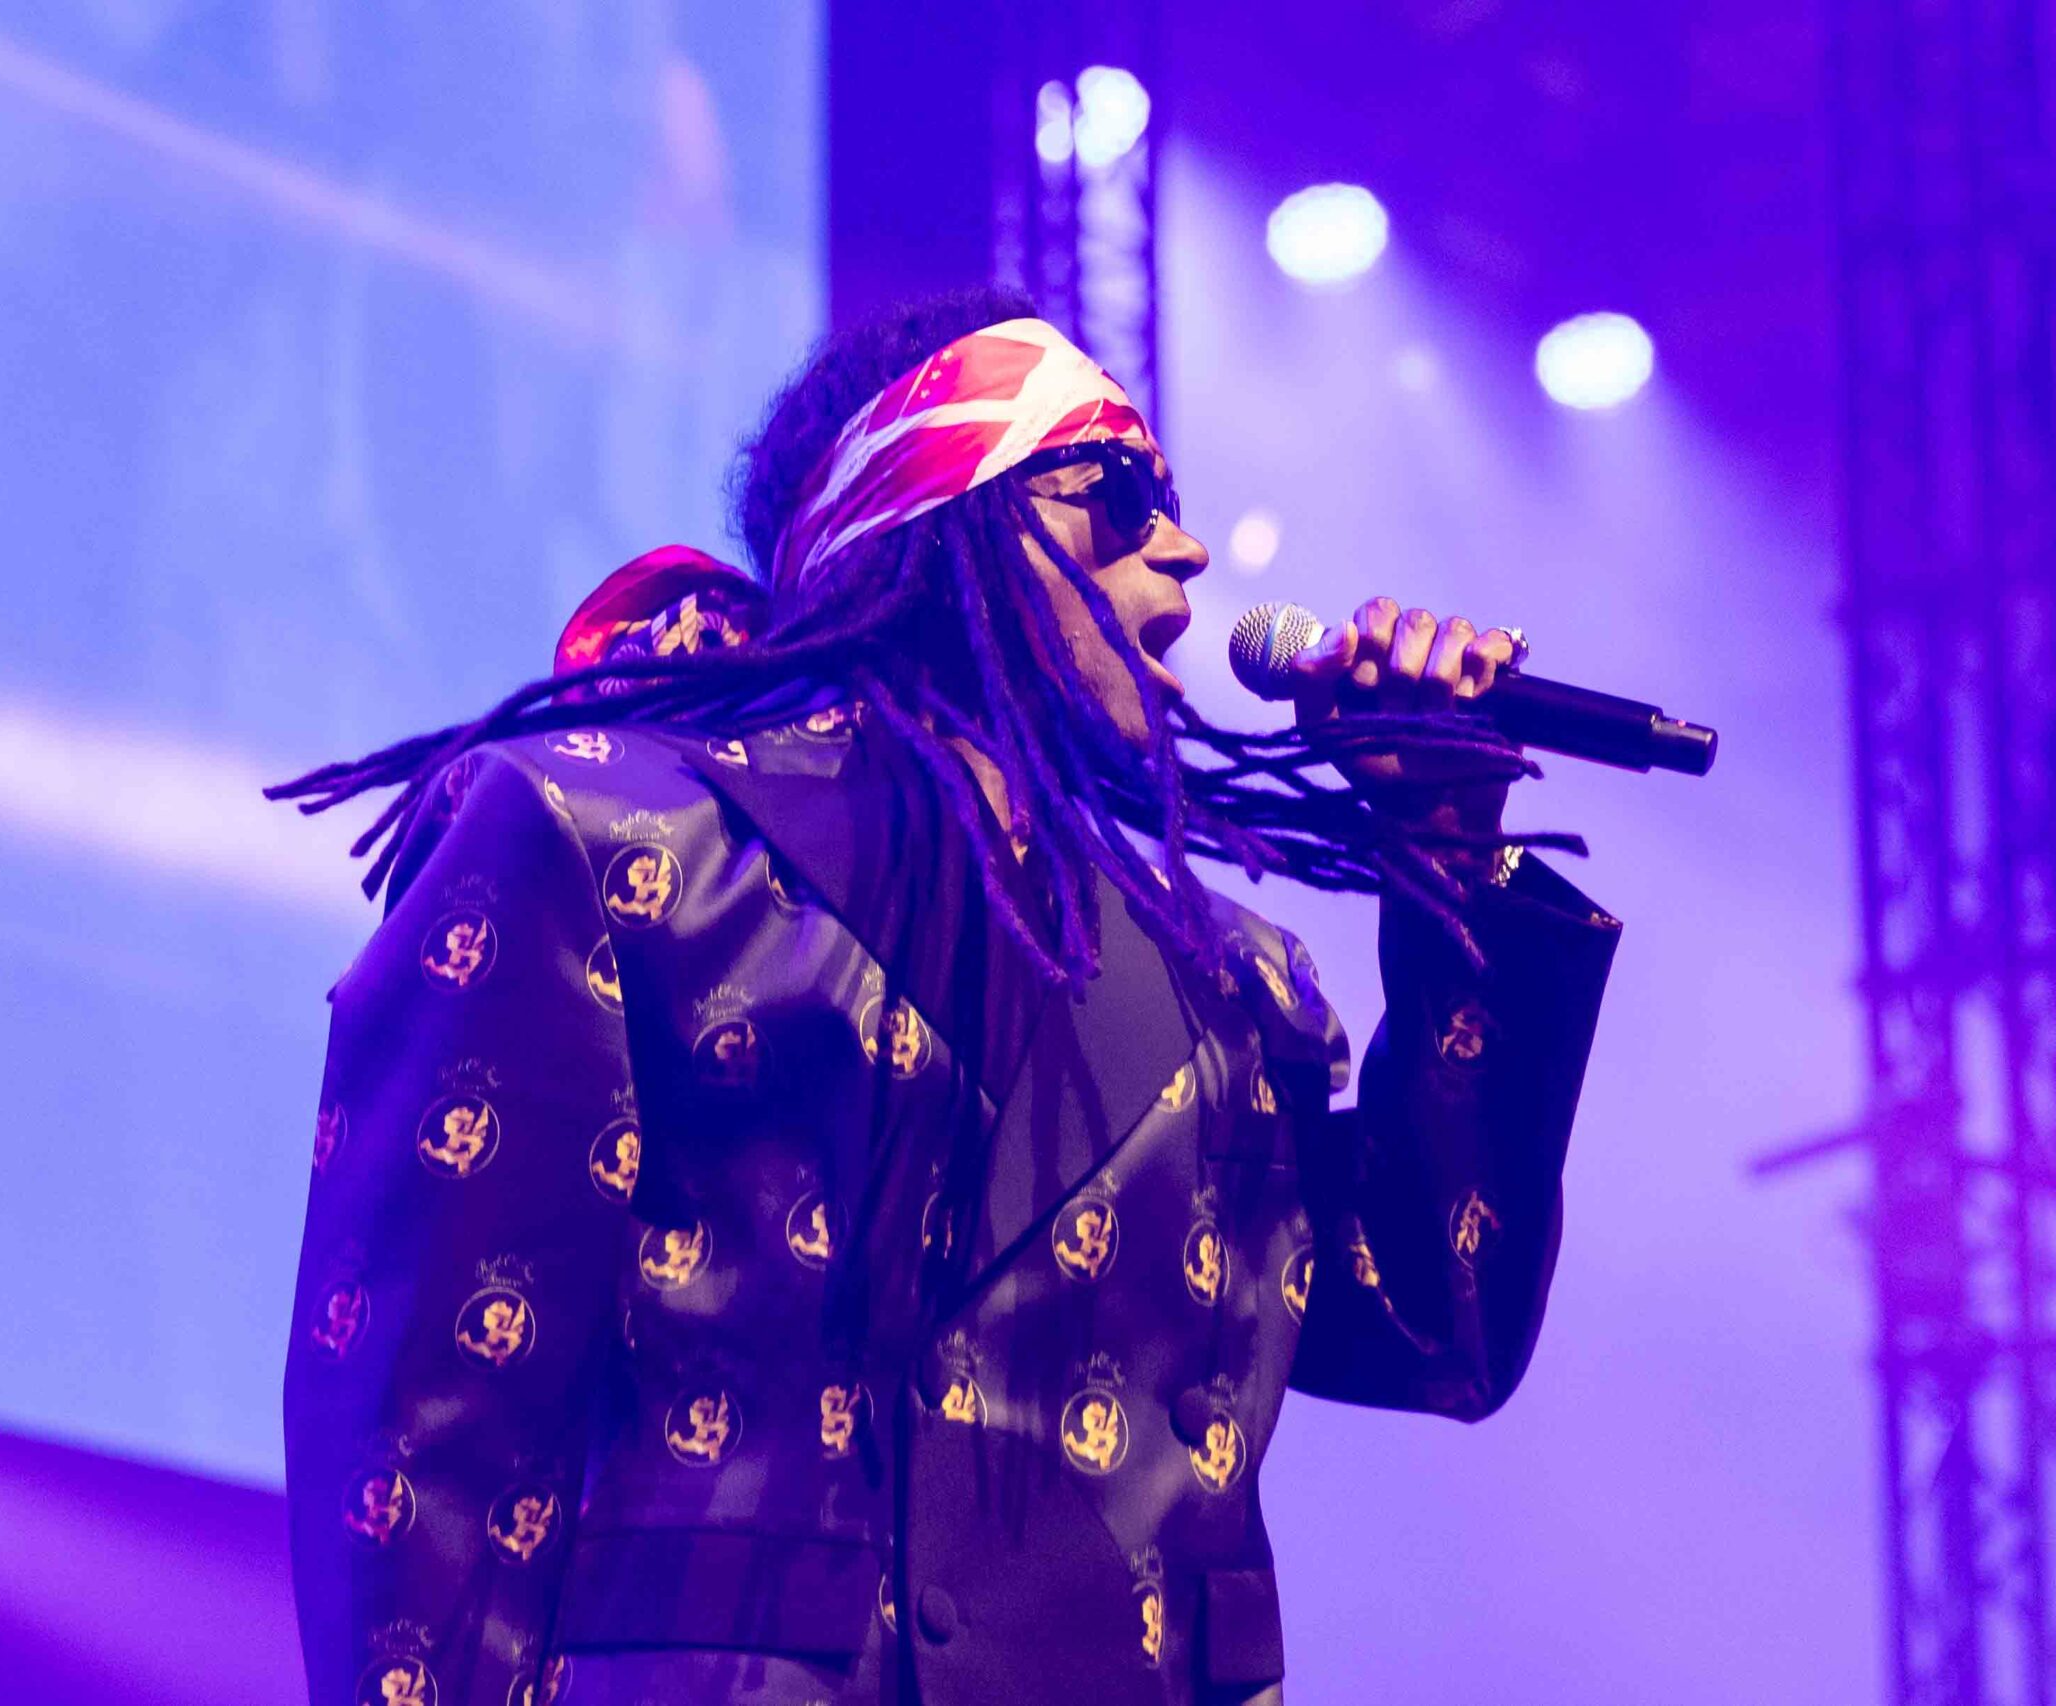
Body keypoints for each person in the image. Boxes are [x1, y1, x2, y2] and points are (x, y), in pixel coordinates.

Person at [272, 287, 1619, 1706]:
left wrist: (1450, 856)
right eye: (1118, 490)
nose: (1183, 545)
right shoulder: (613, 842)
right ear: (936, 515)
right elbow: (427, 1446)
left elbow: (1437, 1316)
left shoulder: (1235, 985)